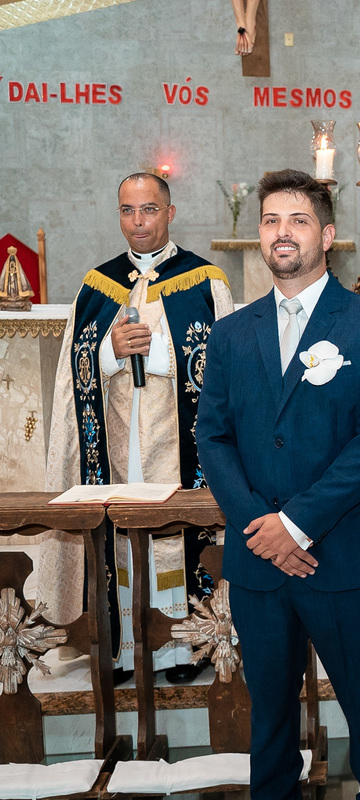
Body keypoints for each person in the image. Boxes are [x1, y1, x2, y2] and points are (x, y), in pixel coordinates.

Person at [196, 169, 360, 800]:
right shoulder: (234, 332)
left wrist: (296, 524)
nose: (281, 233)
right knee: (270, 712)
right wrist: (260, 526)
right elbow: (213, 436)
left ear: (328, 234)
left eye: (297, 220)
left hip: (342, 551)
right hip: (259, 558)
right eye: (270, 221)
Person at [40, 172, 234, 685]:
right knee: (124, 543)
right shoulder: (98, 284)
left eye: (148, 209)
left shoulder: (203, 280)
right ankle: (123, 651)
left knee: (176, 537)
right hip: (118, 448)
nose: (138, 221)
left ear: (170, 212)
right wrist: (109, 352)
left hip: (177, 445)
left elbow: (225, 365)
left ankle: (185, 645)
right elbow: (74, 368)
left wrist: (164, 356)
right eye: (128, 210)